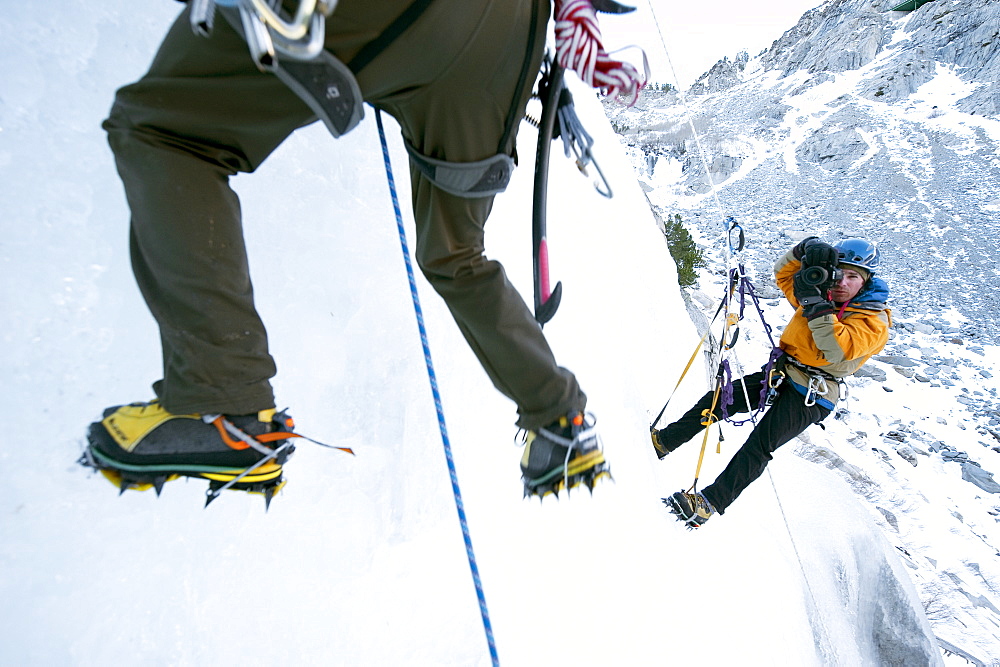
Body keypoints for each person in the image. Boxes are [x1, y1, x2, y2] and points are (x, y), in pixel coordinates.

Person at [83, 0, 618, 503]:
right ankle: (558, 422)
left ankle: (223, 401)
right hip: (511, 37)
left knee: (165, 131)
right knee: (456, 253)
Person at [652, 237, 891, 527]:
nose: (842, 282)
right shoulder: (820, 295)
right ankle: (664, 441)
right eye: (838, 273)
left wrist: (815, 304)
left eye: (853, 276)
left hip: (813, 393)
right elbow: (784, 274)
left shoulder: (874, 322)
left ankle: (708, 504)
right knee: (718, 400)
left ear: (865, 282)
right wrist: (803, 250)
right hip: (784, 372)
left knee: (760, 445)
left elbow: (836, 348)